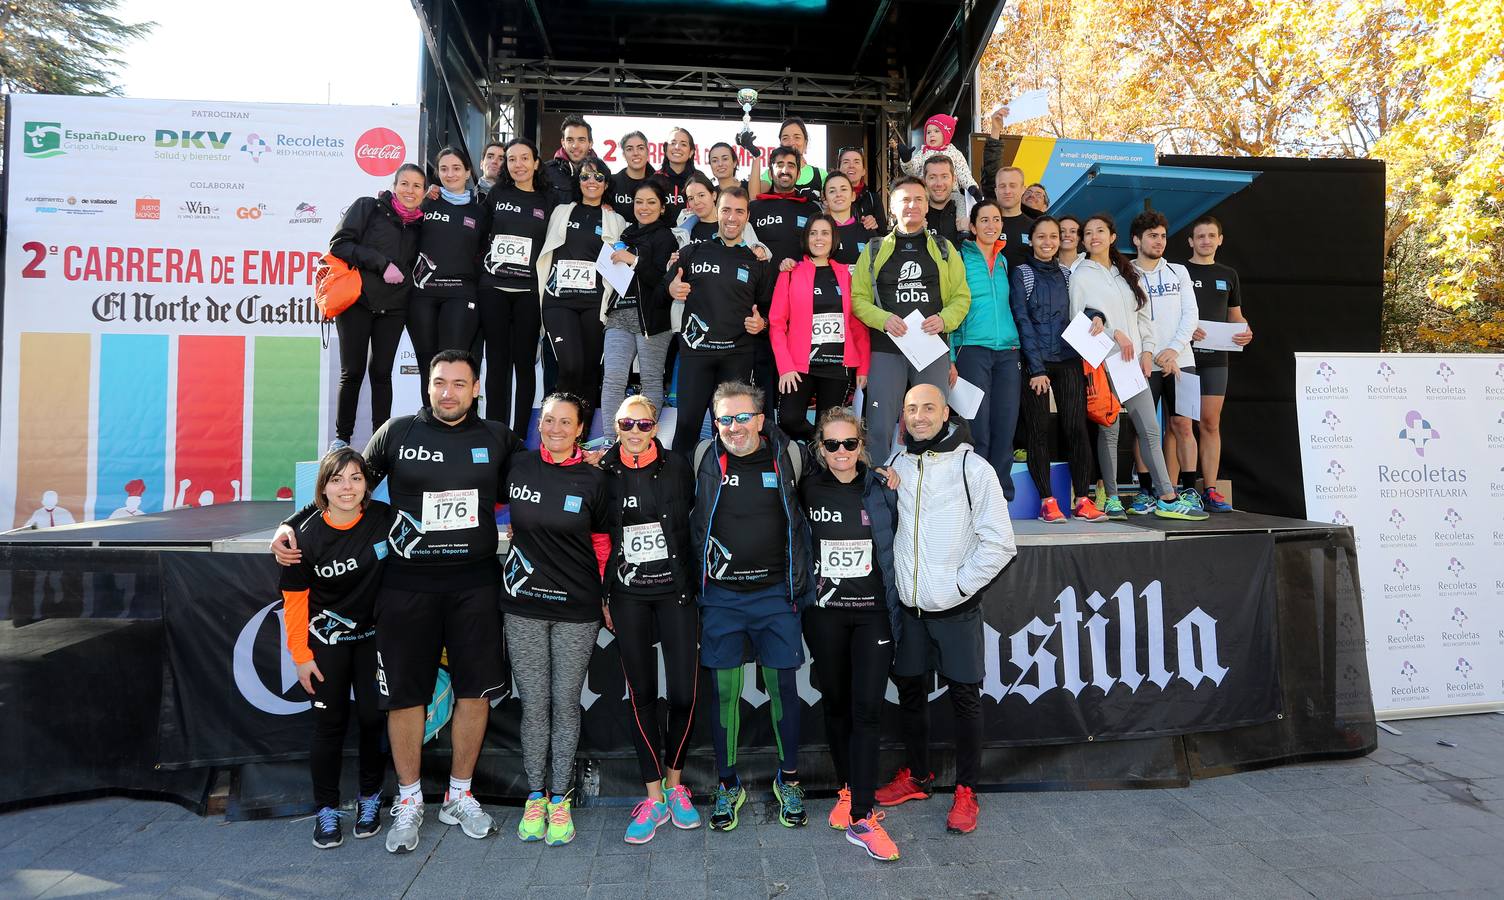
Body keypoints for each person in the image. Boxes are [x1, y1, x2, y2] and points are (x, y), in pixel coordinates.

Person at [271, 350, 524, 855]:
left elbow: (541, 476)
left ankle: (459, 794)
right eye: (438, 383)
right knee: (406, 695)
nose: (447, 392)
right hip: (406, 587)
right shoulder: (398, 431)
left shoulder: (497, 437)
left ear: (476, 388)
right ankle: (408, 800)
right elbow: (342, 480)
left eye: (458, 383)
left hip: (474, 585)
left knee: (475, 691)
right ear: (427, 386)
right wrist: (293, 524)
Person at [874, 384, 1015, 835]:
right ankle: (917, 775)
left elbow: (1000, 544)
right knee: (911, 693)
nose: (918, 416)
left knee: (964, 700)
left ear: (945, 412)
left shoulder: (973, 467)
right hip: (910, 609)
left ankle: (967, 790)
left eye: (927, 408)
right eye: (911, 408)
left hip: (955, 607)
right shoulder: (897, 463)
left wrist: (958, 586)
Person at [690, 381, 815, 831]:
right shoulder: (703, 457)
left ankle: (789, 778)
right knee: (724, 694)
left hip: (776, 596)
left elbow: (841, 473)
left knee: (784, 689)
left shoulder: (789, 456)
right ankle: (727, 784)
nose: (734, 427)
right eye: (725, 418)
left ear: (761, 420)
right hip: (721, 598)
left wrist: (879, 473)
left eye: (743, 417)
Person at [500, 392, 610, 847]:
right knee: (534, 704)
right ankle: (536, 795)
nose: (556, 428)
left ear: (581, 428)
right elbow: (482, 503)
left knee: (564, 703)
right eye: (548, 420)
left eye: (566, 422)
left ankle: (561, 799)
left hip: (576, 609)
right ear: (539, 424)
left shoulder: (594, 478)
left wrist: (604, 596)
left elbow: (603, 543)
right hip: (523, 606)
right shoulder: (518, 465)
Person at [599, 395, 702, 843]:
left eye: (643, 423)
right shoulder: (602, 470)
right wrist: (604, 592)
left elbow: (697, 521)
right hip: (628, 596)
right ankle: (653, 795)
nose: (636, 430)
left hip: (675, 591)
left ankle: (677, 784)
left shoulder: (679, 466)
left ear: (655, 425)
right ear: (616, 426)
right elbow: (599, 535)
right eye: (627, 423)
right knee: (641, 693)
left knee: (682, 691)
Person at [279, 448, 394, 849]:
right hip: (325, 644)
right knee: (329, 726)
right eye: (337, 479)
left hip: (372, 642)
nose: (347, 487)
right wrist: (301, 656)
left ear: (367, 484)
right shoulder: (300, 536)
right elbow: (293, 602)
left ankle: (370, 800)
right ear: (323, 487)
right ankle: (326, 809)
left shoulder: (383, 518)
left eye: (356, 478)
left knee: (372, 720)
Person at [801, 409, 902, 861]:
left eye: (849, 444)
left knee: (868, 710)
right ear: (819, 449)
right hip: (824, 616)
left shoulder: (881, 487)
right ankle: (846, 789)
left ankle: (863, 813)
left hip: (873, 614)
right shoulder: (804, 488)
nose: (841, 453)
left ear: (861, 445)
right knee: (837, 705)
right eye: (832, 445)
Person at [1069, 214, 1206, 521]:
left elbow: (1142, 316)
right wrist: (1111, 332)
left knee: (1150, 429)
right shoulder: (1080, 275)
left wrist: (1147, 351)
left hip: (1131, 364)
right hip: (1102, 363)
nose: (1094, 237)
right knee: (1110, 432)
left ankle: (1167, 496)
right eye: (1088, 232)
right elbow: (1077, 322)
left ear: (1112, 236)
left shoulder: (1125, 271)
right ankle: (1113, 499)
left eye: (1100, 231)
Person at [851, 177, 971, 459]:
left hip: (930, 349)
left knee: (931, 423)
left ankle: (930, 489)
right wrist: (882, 319)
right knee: (879, 427)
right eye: (905, 200)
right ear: (893, 207)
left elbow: (961, 297)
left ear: (927, 206)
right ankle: (878, 491)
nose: (912, 205)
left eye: (918, 199)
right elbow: (858, 298)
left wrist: (944, 319)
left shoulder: (944, 248)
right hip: (886, 349)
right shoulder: (874, 249)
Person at [665, 186, 774, 455]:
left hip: (736, 356)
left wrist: (763, 325)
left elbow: (769, 310)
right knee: (688, 424)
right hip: (696, 354)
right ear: (718, 211)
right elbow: (666, 284)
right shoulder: (692, 252)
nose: (732, 218)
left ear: (747, 217)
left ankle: (723, 486)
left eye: (739, 211)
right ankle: (680, 490)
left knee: (728, 428)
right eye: (726, 210)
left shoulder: (757, 260)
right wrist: (671, 288)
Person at [1010, 216, 1104, 522]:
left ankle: (1083, 500)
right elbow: (1022, 321)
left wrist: (1096, 314)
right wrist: (1036, 368)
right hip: (1035, 364)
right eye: (1042, 237)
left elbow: (1079, 307)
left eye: (1054, 236)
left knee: (1076, 429)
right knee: (1038, 432)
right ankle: (1047, 501)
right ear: (1031, 240)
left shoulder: (1067, 274)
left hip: (1067, 360)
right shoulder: (1022, 273)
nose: (1049, 242)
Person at [328, 162, 424, 450]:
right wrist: (381, 264)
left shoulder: (422, 223)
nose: (410, 190)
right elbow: (339, 245)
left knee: (382, 374)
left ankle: (380, 442)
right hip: (357, 301)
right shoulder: (368, 207)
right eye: (404, 183)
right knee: (352, 372)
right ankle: (341, 441)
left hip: (394, 308)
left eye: (417, 186)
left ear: (423, 192)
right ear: (394, 186)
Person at [536, 156, 627, 405]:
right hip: (558, 302)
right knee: (570, 366)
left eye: (598, 177)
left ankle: (583, 437)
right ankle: (558, 427)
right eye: (585, 176)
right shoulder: (561, 212)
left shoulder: (616, 220)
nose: (591, 181)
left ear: (606, 184)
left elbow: (622, 260)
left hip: (594, 304)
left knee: (588, 370)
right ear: (578, 181)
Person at [770, 214, 868, 440]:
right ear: (806, 238)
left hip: (837, 366)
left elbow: (856, 324)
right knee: (789, 419)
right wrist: (785, 366)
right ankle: (816, 445)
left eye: (825, 233)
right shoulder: (791, 272)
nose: (819, 238)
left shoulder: (846, 274)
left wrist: (863, 367)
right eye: (813, 233)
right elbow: (776, 324)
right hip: (798, 366)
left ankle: (819, 463)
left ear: (834, 239)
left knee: (830, 427)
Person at [1128, 210, 1201, 513]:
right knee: (1144, 428)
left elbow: (1191, 315)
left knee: (1184, 424)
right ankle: (1145, 491)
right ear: (1136, 240)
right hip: (1143, 363)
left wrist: (1172, 350)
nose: (1159, 242)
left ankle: (1190, 490)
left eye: (1162, 236)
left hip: (1182, 359)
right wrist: (1153, 351)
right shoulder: (1125, 272)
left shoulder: (1179, 271)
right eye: (1152, 236)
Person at [479, 138, 552, 432]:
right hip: (493, 288)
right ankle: (497, 432)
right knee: (496, 364)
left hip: (529, 292)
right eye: (512, 159)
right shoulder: (497, 193)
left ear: (536, 163)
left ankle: (519, 435)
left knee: (524, 364)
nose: (518, 164)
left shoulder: (549, 200)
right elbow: (479, 230)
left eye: (524, 158)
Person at [951, 200, 1021, 498]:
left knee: (1005, 424)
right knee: (977, 426)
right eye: (984, 220)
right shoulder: (960, 258)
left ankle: (1001, 495)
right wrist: (951, 356)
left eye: (996, 220)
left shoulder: (1005, 260)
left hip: (1008, 351)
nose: (991, 225)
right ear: (972, 226)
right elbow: (950, 306)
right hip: (972, 350)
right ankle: (976, 493)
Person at [1183, 215, 1251, 512]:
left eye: (1211, 235)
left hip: (1216, 359)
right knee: (1180, 424)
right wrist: (1186, 330)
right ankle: (1177, 490)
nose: (1206, 241)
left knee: (1210, 423)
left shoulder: (1229, 274)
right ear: (1191, 241)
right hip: (1183, 357)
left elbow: (1235, 315)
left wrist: (1245, 330)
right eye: (1200, 236)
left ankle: (1209, 489)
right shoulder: (1179, 271)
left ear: (1220, 239)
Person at [410, 147, 486, 408]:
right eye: (444, 169)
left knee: (453, 365)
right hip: (422, 294)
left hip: (460, 293)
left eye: (456, 168)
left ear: (467, 172)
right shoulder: (425, 201)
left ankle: (458, 422)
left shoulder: (480, 211)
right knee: (428, 364)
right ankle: (430, 421)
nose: (450, 174)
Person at [601, 180, 678, 437]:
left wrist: (633, 260)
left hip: (653, 319)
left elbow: (661, 278)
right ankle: (611, 444)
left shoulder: (666, 236)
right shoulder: (625, 234)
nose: (644, 207)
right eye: (639, 202)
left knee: (651, 381)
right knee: (612, 380)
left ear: (663, 207)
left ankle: (646, 441)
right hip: (618, 315)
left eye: (651, 202)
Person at [751, 146, 817, 271]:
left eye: (791, 166)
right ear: (770, 173)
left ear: (798, 175)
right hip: (762, 287)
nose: (785, 170)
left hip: (799, 284)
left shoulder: (812, 209)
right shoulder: (754, 208)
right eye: (779, 165)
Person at [895, 113, 982, 201]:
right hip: (928, 194)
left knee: (961, 204)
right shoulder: (923, 153)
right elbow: (912, 171)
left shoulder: (955, 153)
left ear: (946, 134)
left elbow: (964, 174)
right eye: (928, 132)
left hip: (951, 194)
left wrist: (971, 187)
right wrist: (907, 161)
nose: (931, 134)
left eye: (936, 131)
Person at [747, 116, 825, 198]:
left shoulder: (820, 174)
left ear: (805, 143)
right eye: (785, 138)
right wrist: (756, 156)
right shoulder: (773, 173)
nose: (791, 142)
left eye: (797, 137)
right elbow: (755, 198)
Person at [823, 171, 878, 273]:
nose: (838, 194)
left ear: (853, 196)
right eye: (832, 191)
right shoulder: (819, 234)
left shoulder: (867, 230)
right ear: (825, 199)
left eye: (843, 189)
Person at [542, 115, 603, 207]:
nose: (575, 146)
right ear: (563, 143)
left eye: (581, 140)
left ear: (590, 143)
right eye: (570, 140)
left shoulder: (603, 172)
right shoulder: (545, 172)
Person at [990, 166, 1036, 270]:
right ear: (996, 191)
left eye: (1012, 185)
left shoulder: (1034, 227)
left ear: (1023, 189)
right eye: (1002, 186)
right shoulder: (985, 226)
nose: (1007, 191)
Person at [919, 155, 968, 250]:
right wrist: (913, 233)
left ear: (954, 179)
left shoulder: (969, 212)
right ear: (924, 181)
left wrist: (973, 232)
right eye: (932, 177)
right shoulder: (913, 214)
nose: (939, 184)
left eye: (944, 177)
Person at [837, 146, 885, 231]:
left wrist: (874, 225)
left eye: (856, 162)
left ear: (863, 171)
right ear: (839, 169)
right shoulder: (831, 197)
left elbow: (882, 234)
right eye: (846, 162)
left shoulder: (873, 199)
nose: (851, 166)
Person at [655, 126, 698, 221]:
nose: (677, 147)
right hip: (662, 234)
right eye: (673, 143)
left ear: (691, 152)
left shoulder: (699, 179)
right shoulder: (654, 180)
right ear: (666, 149)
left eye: (683, 144)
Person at [608, 131, 653, 214]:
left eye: (640, 148)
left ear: (647, 152)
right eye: (629, 149)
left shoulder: (658, 182)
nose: (636, 153)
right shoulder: (612, 182)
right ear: (624, 155)